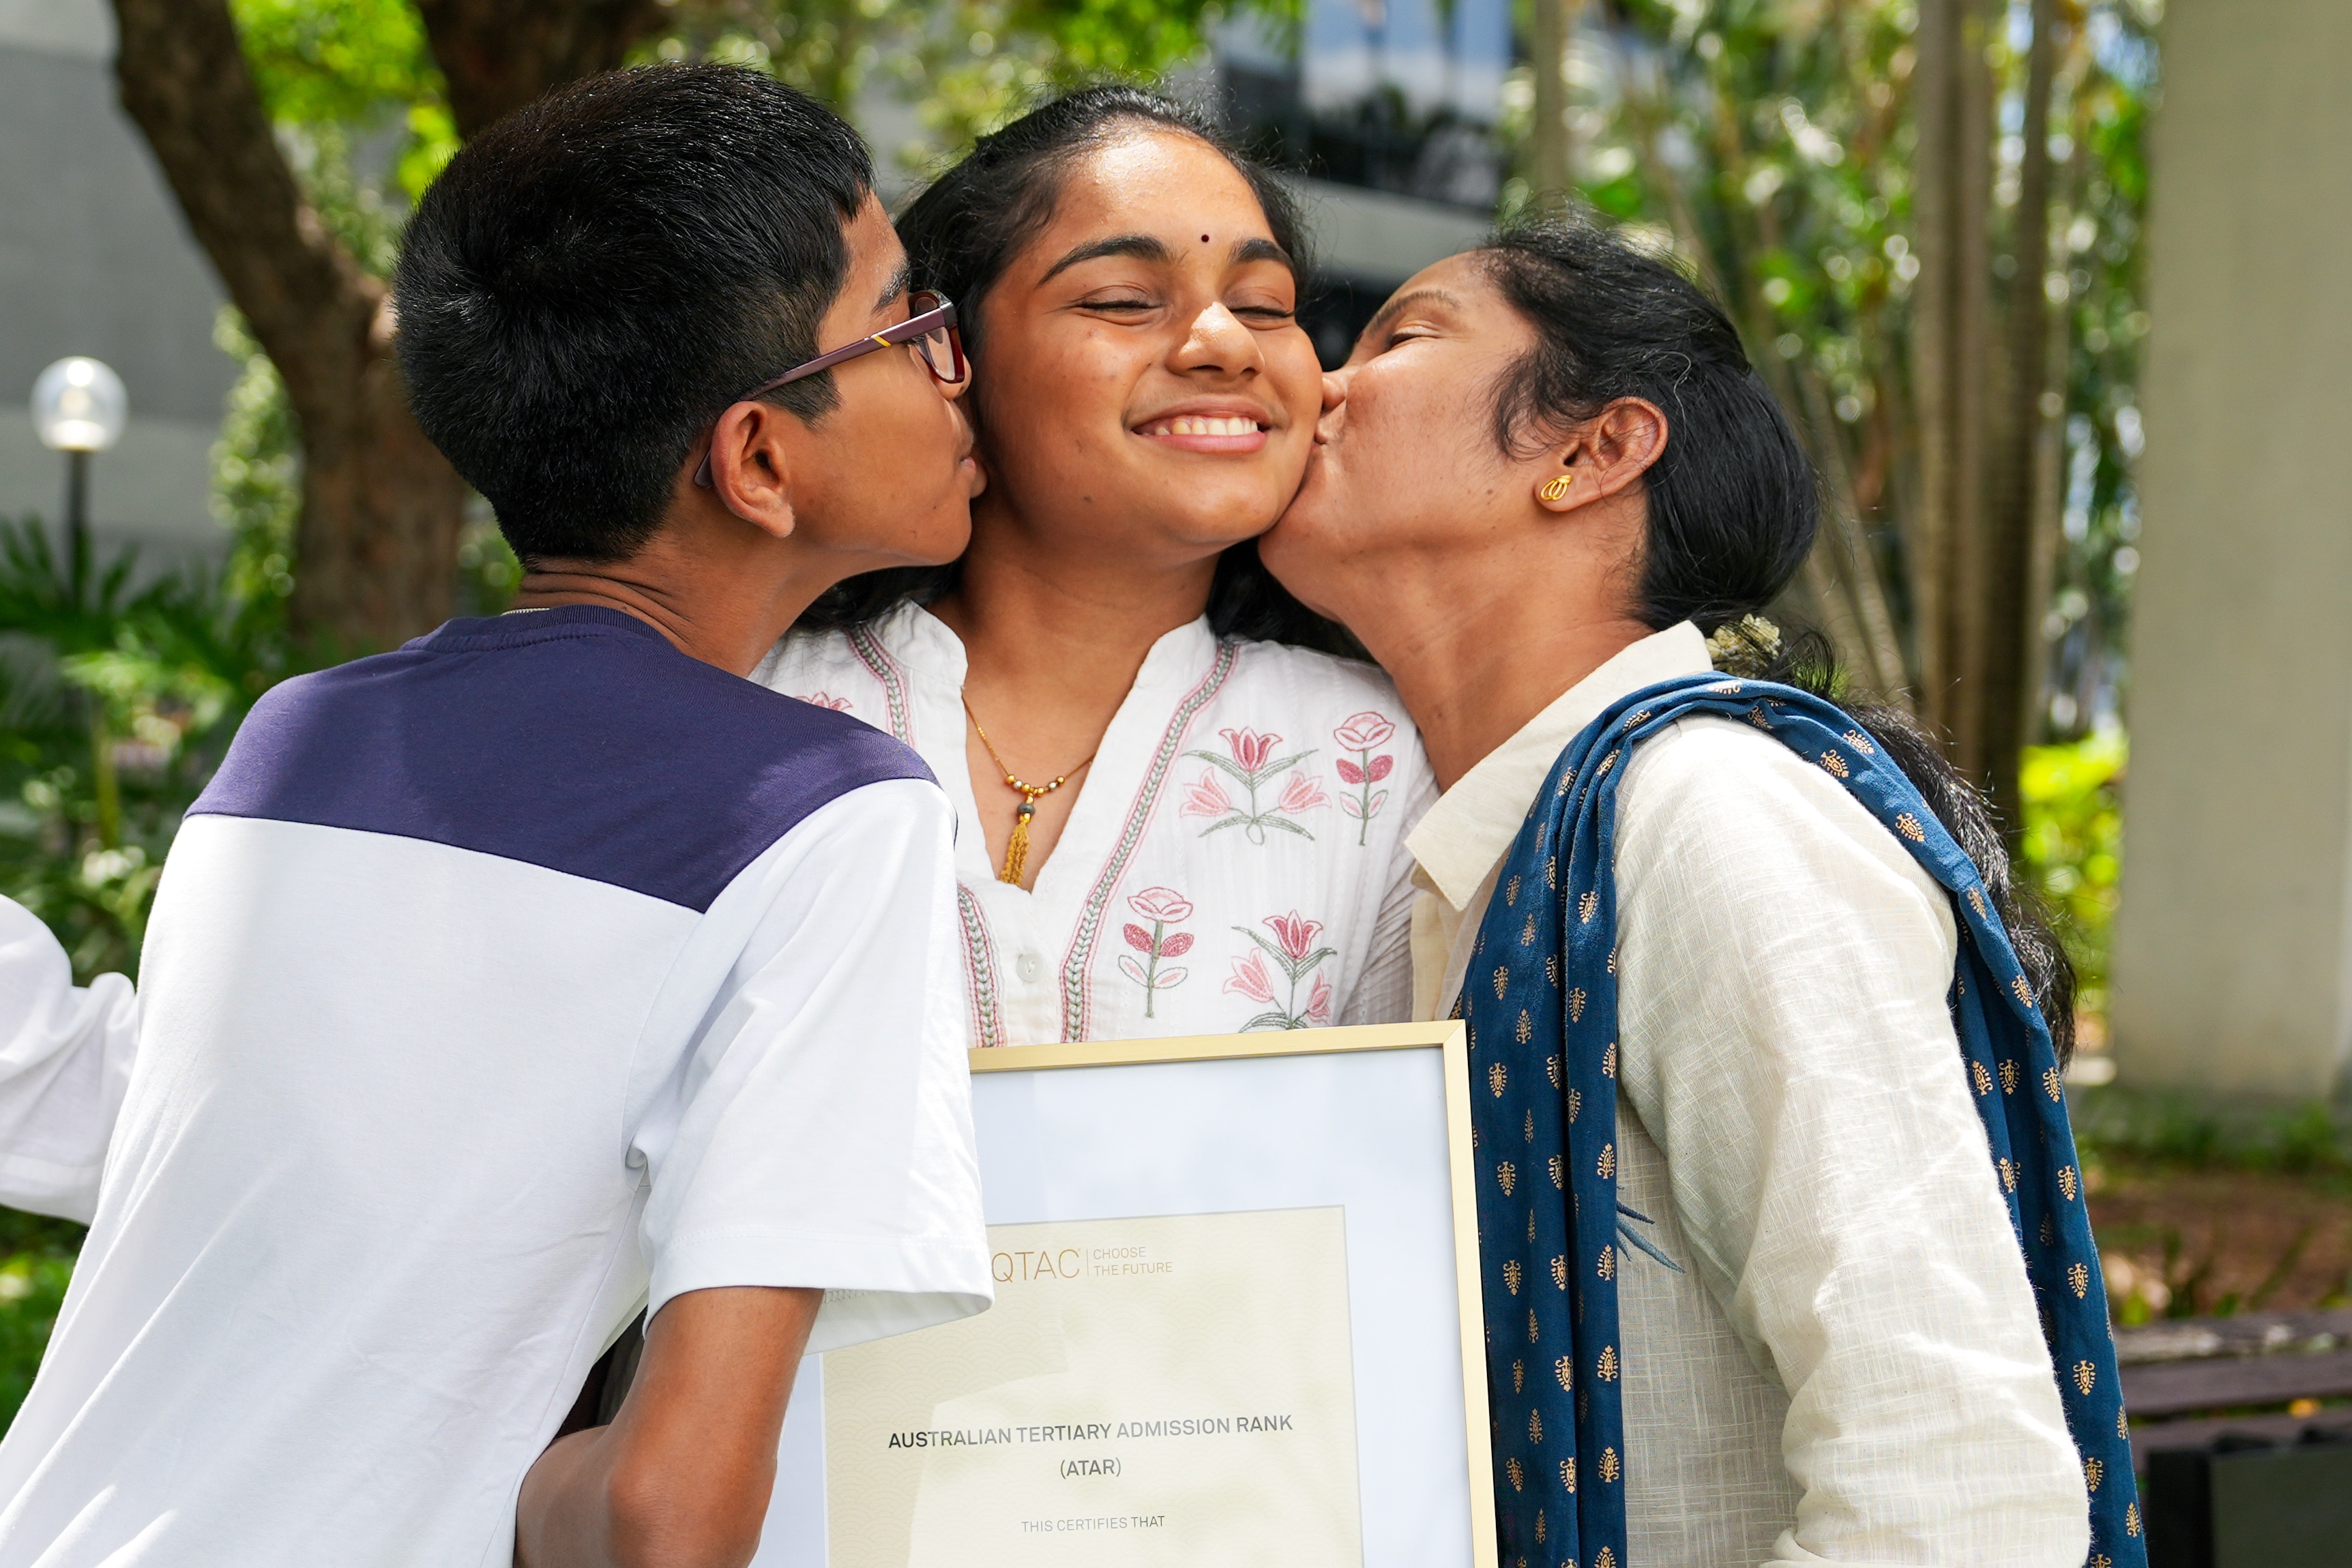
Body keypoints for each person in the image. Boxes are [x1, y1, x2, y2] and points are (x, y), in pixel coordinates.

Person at [0, 65, 991, 1567]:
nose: (953, 365)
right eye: (912, 322)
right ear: (757, 459)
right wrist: (513, 1486)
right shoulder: (827, 815)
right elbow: (668, 1520)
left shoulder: (302, 741)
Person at [1262, 218, 2142, 1567]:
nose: (1316, 379)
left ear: (1591, 450)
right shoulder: (1480, 863)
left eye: (1400, 336)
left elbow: (1956, 1485)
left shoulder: (1702, 815)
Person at [763, 87, 1432, 1046]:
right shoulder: (747, 705)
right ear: (949, 358)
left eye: (1263, 305)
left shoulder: (1384, 764)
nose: (1225, 344)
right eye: (1123, 300)